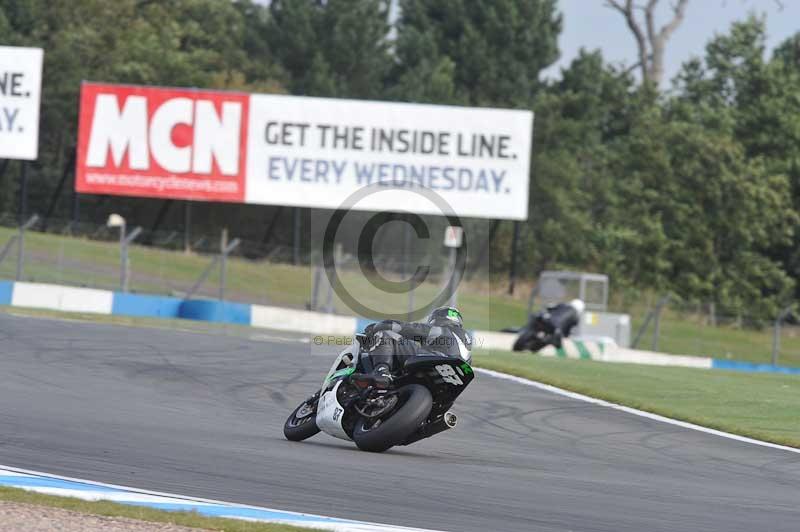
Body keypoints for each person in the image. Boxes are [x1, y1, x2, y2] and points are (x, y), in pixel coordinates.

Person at [359, 306, 472, 388]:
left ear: (436, 319)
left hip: (435, 361)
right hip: (452, 382)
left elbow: (407, 328)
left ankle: (382, 371)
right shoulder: (467, 344)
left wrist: (379, 326)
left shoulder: (440, 330)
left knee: (386, 334)